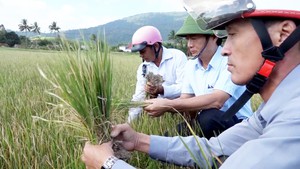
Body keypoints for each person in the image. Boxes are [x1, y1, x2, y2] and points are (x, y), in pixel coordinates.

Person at [81, 0, 300, 168]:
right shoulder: (271, 111)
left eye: (232, 35)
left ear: (283, 34)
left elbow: (216, 102)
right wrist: (137, 140)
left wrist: (109, 164)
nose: (225, 49)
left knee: (208, 117)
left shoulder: (295, 116)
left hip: (220, 118)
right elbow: (214, 149)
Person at [144, 15, 252, 138]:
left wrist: (168, 105)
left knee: (209, 117)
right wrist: (161, 104)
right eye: (188, 39)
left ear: (213, 36)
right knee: (169, 139)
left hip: (237, 125)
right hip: (206, 122)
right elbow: (185, 100)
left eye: (194, 38)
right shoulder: (191, 65)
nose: (189, 45)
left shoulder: (228, 61)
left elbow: (217, 101)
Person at [127, 25, 187, 123]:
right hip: (157, 114)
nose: (140, 55)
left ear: (156, 46)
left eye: (143, 51)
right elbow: (139, 96)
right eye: (139, 52)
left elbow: (185, 88)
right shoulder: (143, 68)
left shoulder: (177, 57)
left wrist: (162, 90)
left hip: (178, 110)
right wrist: (129, 123)